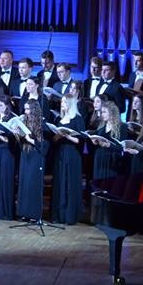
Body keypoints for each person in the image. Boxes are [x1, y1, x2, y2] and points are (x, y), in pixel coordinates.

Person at [50, 94, 85, 225]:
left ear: (71, 103)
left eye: (65, 102)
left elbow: (80, 140)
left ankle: (69, 216)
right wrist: (57, 136)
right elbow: (54, 140)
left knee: (69, 183)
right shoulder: (59, 118)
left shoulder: (77, 119)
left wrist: (68, 136)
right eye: (62, 101)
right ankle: (58, 215)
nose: (62, 104)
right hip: (60, 153)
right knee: (59, 182)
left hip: (72, 154)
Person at [16, 101, 48, 221]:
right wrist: (18, 134)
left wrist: (31, 140)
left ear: (34, 110)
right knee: (24, 184)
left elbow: (45, 145)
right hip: (25, 154)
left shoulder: (42, 124)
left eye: (28, 109)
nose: (26, 112)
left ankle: (34, 215)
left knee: (33, 184)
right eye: (25, 109)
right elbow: (21, 142)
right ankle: (24, 213)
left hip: (36, 156)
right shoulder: (24, 122)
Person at [89, 101, 126, 180]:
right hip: (100, 159)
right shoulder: (102, 127)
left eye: (104, 112)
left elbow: (122, 147)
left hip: (111, 161)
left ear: (112, 113)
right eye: (102, 112)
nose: (102, 114)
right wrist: (94, 141)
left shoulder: (122, 127)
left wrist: (108, 145)